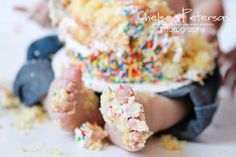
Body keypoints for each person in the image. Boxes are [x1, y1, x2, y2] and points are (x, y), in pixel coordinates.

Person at [15, 0, 235, 152]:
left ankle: (148, 113)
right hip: (85, 62)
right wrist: (51, 8)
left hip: (166, 72)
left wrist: (204, 25)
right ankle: (66, 101)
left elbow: (208, 4)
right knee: (40, 53)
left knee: (203, 81)